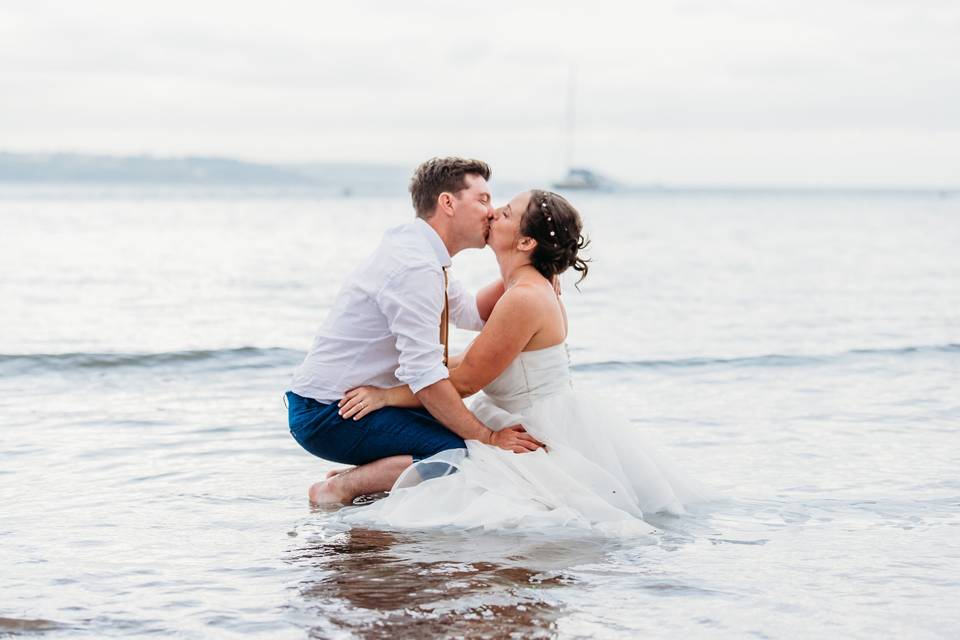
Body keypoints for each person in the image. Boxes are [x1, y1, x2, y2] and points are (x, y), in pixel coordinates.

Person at [335, 189, 712, 534]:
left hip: (532, 424)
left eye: (506, 213)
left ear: (526, 241)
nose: (493, 212)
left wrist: (387, 395)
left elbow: (465, 381)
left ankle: (341, 488)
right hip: (532, 411)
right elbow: (477, 357)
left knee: (459, 470)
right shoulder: (526, 286)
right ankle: (357, 481)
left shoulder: (524, 298)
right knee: (443, 445)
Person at [286, 158, 544, 506]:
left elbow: (471, 313)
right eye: (482, 199)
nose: (492, 211)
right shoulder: (416, 266)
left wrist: (531, 266)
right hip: (330, 413)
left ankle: (369, 474)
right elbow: (425, 376)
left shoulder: (422, 251)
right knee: (456, 453)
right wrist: (487, 437)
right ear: (448, 203)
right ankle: (338, 489)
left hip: (349, 402)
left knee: (461, 431)